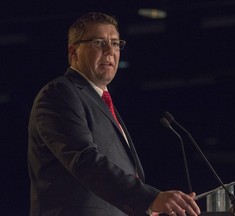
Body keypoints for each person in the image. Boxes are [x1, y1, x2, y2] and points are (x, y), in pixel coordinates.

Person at [28, 12, 201, 216]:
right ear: (73, 52)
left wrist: (152, 208)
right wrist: (149, 198)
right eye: (99, 42)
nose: (110, 50)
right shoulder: (60, 93)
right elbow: (84, 160)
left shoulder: (102, 102)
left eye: (116, 43)